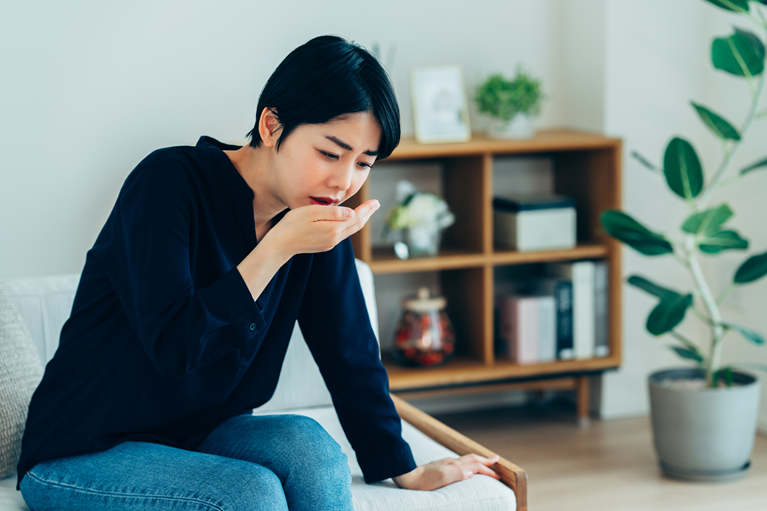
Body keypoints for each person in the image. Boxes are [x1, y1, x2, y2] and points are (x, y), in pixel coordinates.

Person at [17, 35, 500, 510]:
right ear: (271, 125)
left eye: (362, 163)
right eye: (331, 153)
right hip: (85, 445)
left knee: (311, 448)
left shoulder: (314, 211)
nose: (343, 182)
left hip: (201, 431)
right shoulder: (167, 184)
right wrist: (278, 247)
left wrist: (404, 468)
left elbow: (349, 350)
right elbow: (174, 346)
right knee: (249, 493)